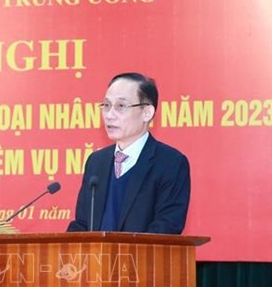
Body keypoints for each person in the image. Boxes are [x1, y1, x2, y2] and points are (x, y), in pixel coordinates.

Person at [67, 72, 190, 234]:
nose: (109, 115)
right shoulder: (97, 162)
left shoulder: (170, 163)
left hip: (141, 259)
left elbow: (166, 228)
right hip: (95, 259)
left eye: (120, 106)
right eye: (106, 105)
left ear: (147, 113)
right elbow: (82, 224)